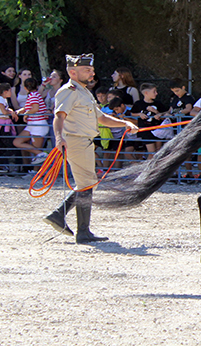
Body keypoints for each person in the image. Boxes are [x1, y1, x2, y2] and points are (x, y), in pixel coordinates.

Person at [43, 54, 137, 243]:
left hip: (84, 141)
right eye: (87, 70)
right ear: (72, 72)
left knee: (86, 182)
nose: (92, 73)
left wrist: (124, 123)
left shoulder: (84, 92)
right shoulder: (68, 91)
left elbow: (101, 118)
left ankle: (59, 215)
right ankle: (82, 232)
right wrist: (59, 138)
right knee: (87, 184)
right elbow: (59, 117)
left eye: (92, 70)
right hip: (76, 141)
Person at [12, 77, 51, 166]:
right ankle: (40, 154)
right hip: (32, 125)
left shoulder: (33, 95)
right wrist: (19, 111)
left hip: (38, 125)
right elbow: (30, 106)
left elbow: (35, 108)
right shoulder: (34, 95)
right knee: (17, 142)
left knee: (38, 153)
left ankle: (36, 172)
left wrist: (26, 114)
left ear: (25, 88)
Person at [130, 82, 169, 157]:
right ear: (146, 93)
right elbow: (132, 113)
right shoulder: (138, 103)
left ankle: (157, 168)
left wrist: (156, 112)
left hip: (157, 130)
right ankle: (149, 168)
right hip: (146, 130)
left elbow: (163, 113)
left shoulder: (158, 103)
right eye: (154, 91)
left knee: (158, 152)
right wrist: (139, 114)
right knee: (151, 153)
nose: (156, 93)